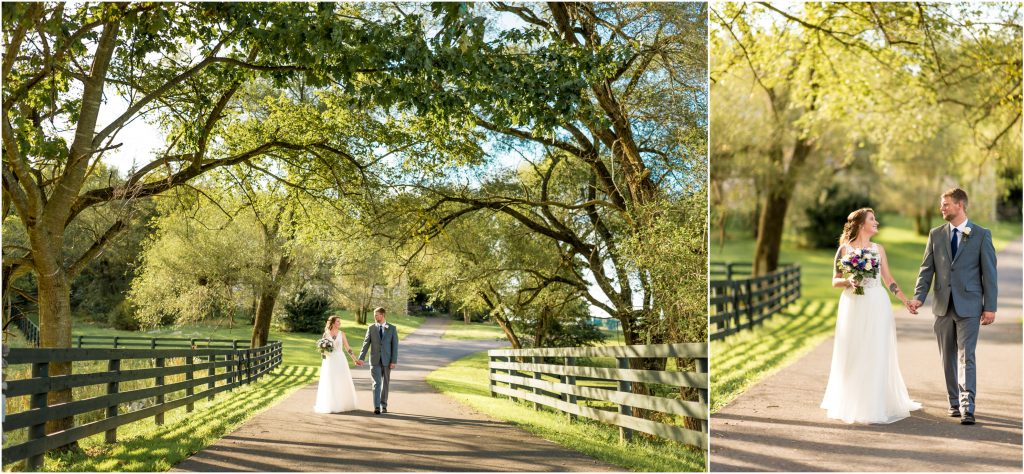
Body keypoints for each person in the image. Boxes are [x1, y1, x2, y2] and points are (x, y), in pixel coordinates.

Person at [820, 207, 921, 424]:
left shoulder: (878, 249)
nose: (876, 222)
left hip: (877, 303)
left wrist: (905, 302)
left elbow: (889, 279)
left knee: (876, 350)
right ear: (861, 224)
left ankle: (876, 401)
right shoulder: (844, 250)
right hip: (853, 304)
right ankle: (853, 399)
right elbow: (835, 280)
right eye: (872, 219)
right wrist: (849, 281)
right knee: (854, 351)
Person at [909, 188, 997, 425]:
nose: (942, 208)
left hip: (969, 306)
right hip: (942, 306)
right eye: (942, 204)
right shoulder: (935, 235)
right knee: (947, 358)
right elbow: (926, 270)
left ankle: (968, 407)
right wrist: (919, 297)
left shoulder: (981, 234)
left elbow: (989, 274)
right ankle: (954, 402)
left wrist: (990, 306)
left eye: (946, 204)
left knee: (966, 355)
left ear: (960, 205)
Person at [356, 307, 398, 415]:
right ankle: (377, 406)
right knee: (376, 383)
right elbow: (366, 344)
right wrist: (361, 358)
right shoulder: (371, 328)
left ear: (383, 315)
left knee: (386, 383)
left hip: (387, 360)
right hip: (374, 360)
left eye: (377, 315)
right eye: (374, 315)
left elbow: (395, 346)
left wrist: (393, 361)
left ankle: (384, 405)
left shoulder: (392, 328)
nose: (375, 317)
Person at [313, 315, 359, 413]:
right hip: (329, 361)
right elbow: (322, 349)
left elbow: (348, 348)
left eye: (339, 321)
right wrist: (323, 353)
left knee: (341, 380)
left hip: (340, 359)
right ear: (333, 323)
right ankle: (331, 404)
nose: (339, 323)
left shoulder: (342, 334)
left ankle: (342, 404)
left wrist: (355, 359)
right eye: (338, 321)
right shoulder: (326, 334)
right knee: (330, 381)